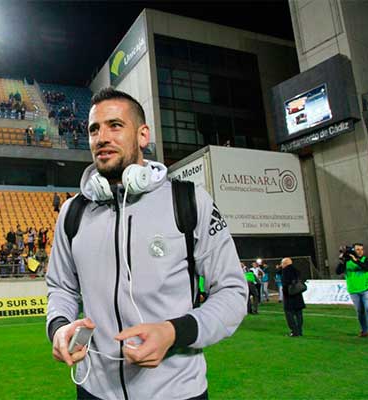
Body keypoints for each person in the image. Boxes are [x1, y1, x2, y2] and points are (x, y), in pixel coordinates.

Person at [46, 88, 247, 399]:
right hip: (93, 390)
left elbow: (233, 293)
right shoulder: (72, 212)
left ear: (142, 136)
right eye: (94, 129)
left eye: (115, 125)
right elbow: (61, 287)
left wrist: (174, 332)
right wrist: (59, 327)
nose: (102, 137)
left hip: (177, 392)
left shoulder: (189, 201)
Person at [336, 243, 368, 340]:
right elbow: (338, 271)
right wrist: (342, 261)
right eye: (357, 249)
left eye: (361, 249)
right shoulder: (347, 262)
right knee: (360, 312)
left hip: (366, 289)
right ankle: (364, 331)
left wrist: (356, 260)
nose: (360, 251)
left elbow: (367, 268)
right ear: (353, 250)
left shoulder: (365, 260)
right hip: (353, 290)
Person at [281, 258, 305, 337]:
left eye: (282, 263)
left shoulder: (285, 271)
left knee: (289, 314)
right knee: (299, 314)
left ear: (285, 263)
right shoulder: (296, 270)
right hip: (298, 295)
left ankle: (294, 331)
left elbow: (285, 284)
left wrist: (285, 293)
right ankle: (300, 331)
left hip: (289, 295)